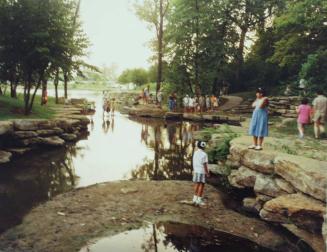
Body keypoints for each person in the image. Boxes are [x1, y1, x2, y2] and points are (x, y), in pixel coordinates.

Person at [192, 141, 209, 206]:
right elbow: (205, 165)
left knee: (197, 184)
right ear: (203, 147)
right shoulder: (204, 154)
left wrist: (194, 170)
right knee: (201, 185)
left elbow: (194, 161)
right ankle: (199, 200)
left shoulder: (195, 153)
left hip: (196, 170)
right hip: (202, 171)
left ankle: (194, 199)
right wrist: (207, 173)